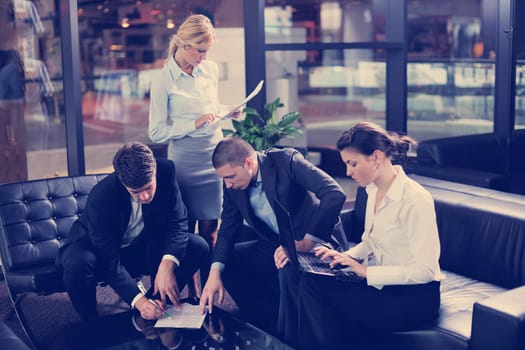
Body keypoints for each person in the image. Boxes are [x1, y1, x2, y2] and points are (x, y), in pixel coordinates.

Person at [297, 122, 444, 349]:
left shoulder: (415, 200)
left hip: (414, 298)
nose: (348, 173)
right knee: (311, 278)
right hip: (382, 287)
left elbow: (425, 270)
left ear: (375, 157)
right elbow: (370, 242)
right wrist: (343, 256)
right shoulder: (372, 190)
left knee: (320, 291)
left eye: (352, 164)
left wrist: (364, 271)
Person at [199, 136, 346, 345]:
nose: (228, 184)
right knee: (227, 263)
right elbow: (228, 230)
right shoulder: (232, 185)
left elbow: (334, 193)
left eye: (231, 176)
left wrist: (308, 241)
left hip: (316, 242)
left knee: (288, 269)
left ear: (249, 162)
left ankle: (289, 340)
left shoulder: (286, 161)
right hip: (277, 244)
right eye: (224, 179)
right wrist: (215, 273)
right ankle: (267, 326)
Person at [59, 142, 209, 321]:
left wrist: (167, 264)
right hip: (96, 252)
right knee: (79, 262)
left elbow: (178, 222)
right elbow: (109, 259)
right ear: (123, 183)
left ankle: (156, 305)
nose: (145, 197)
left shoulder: (166, 171)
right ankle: (92, 322)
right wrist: (138, 301)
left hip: (137, 248)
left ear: (154, 172)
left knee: (198, 245)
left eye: (148, 188)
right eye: (136, 192)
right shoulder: (101, 197)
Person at [149, 14, 237, 294]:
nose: (203, 56)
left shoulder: (209, 70)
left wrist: (227, 111)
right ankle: (191, 291)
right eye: (200, 50)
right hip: (185, 161)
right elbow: (156, 132)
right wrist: (192, 124)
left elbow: (209, 108)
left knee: (211, 231)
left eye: (207, 51)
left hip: (213, 156)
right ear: (183, 45)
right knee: (184, 233)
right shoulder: (163, 79)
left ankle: (209, 290)